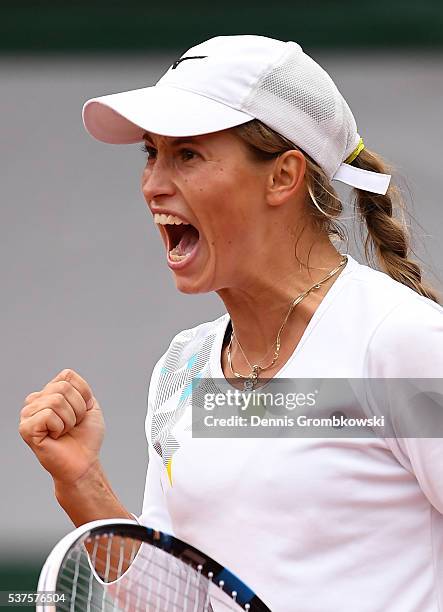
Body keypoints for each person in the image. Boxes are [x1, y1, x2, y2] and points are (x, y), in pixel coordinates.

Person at [19, 35, 443, 611]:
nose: (153, 184)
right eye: (151, 153)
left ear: (283, 177)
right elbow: (183, 600)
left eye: (187, 155)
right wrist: (81, 482)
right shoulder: (183, 371)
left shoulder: (401, 343)